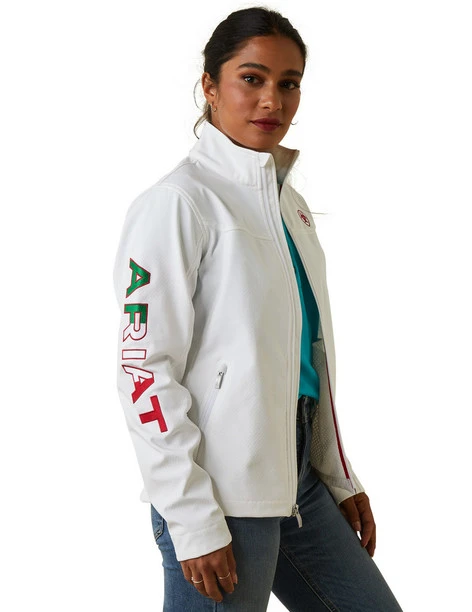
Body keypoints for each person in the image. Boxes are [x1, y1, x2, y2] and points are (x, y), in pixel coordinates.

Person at [114, 7, 403, 611]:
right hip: (220, 495)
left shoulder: (288, 207)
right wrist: (192, 517)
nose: (273, 99)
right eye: (252, 78)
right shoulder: (178, 204)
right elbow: (144, 370)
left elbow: (307, 359)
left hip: (298, 485)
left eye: (289, 82)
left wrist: (336, 475)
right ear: (210, 85)